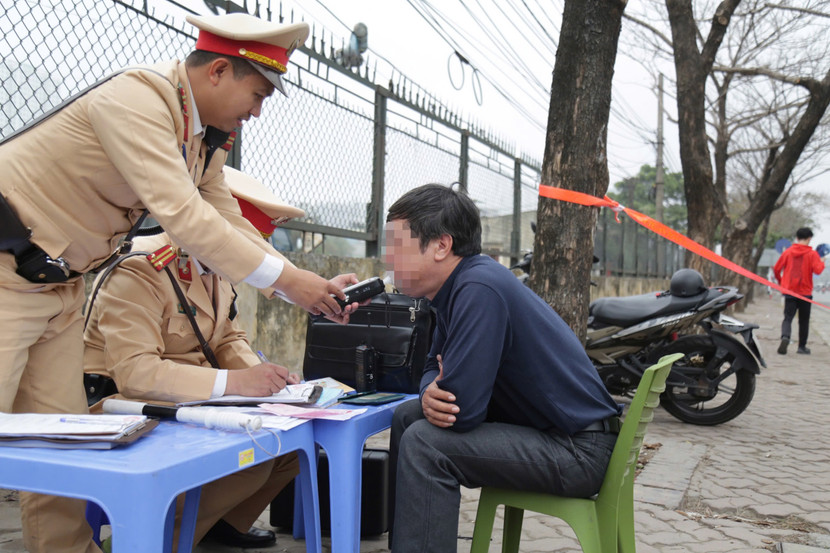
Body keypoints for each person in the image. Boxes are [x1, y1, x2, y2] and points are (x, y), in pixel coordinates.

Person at [0, 13, 354, 553]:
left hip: (59, 287)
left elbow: (228, 219)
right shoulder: (137, 101)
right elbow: (184, 218)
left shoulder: (201, 142)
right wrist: (287, 281)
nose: (257, 112)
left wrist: (302, 283)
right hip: (6, 274)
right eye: (256, 93)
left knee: (59, 445)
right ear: (217, 72)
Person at [83, 168, 352, 550]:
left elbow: (226, 337)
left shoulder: (215, 271)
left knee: (289, 447)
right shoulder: (140, 270)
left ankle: (218, 526)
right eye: (247, 247)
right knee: (255, 454)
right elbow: (135, 373)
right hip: (125, 412)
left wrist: (269, 381)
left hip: (184, 404)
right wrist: (237, 384)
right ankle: (153, 540)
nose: (251, 262)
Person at [383, 183, 622, 553]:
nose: (388, 259)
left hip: (578, 451)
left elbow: (462, 412)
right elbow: (433, 366)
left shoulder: (479, 288)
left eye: (397, 246)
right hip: (554, 434)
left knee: (426, 444)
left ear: (441, 246)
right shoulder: (454, 289)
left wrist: (444, 389)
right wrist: (430, 389)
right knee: (407, 416)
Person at [774, 227, 825, 355]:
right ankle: (802, 347)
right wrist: (822, 262)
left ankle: (785, 337)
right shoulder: (812, 254)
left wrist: (782, 282)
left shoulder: (788, 252)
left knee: (788, 318)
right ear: (809, 239)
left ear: (797, 238)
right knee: (804, 320)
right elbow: (818, 270)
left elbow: (776, 269)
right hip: (805, 293)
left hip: (790, 292)